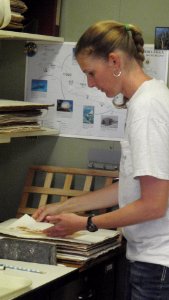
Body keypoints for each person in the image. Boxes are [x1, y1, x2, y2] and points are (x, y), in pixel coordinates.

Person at [33, 20, 169, 299]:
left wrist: (85, 223)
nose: (90, 83)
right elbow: (133, 188)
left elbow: (154, 205)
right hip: (153, 259)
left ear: (114, 60)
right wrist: (66, 206)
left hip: (158, 263)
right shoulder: (150, 98)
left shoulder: (147, 108)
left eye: (91, 73)